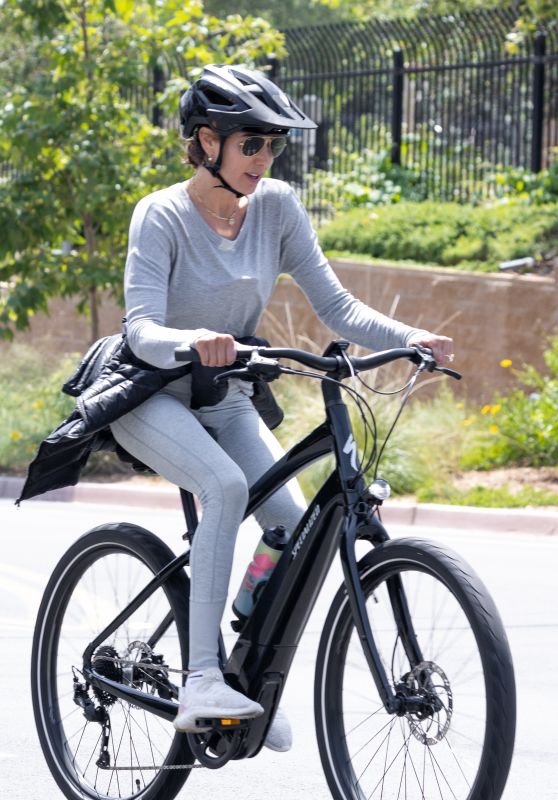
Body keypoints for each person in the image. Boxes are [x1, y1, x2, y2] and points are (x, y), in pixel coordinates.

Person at [110, 63, 454, 751]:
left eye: (273, 146)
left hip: (226, 393)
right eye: (250, 145)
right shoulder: (162, 215)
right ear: (205, 141)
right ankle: (200, 677)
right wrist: (192, 341)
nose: (264, 159)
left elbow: (336, 306)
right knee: (226, 486)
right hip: (151, 391)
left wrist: (407, 336)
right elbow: (141, 328)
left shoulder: (277, 208)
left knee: (291, 530)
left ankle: (241, 667)